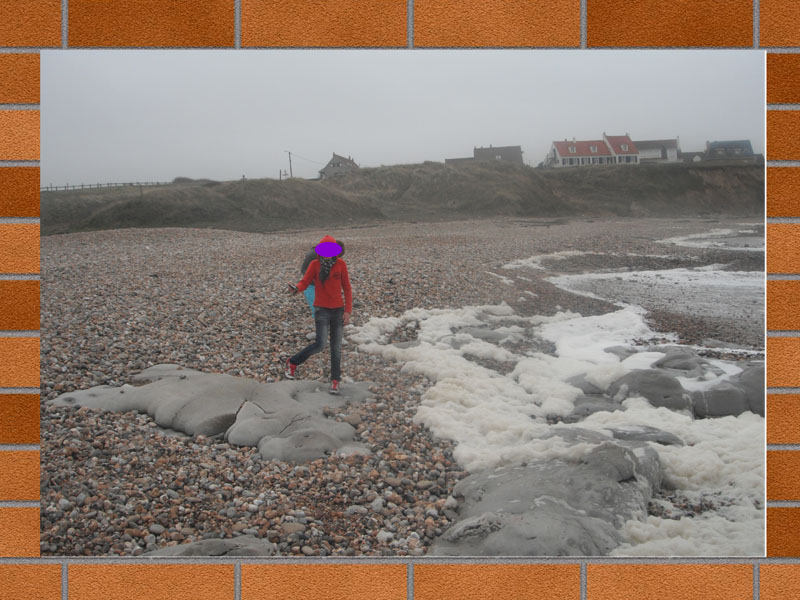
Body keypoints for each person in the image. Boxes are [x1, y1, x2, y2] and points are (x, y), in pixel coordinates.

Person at [285, 235, 352, 395]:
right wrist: (296, 288)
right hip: (321, 309)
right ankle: (292, 362)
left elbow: (347, 288)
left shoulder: (341, 264)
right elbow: (305, 282)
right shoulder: (315, 264)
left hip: (338, 310)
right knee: (320, 344)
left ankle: (335, 381)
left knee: (336, 348)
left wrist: (348, 311)